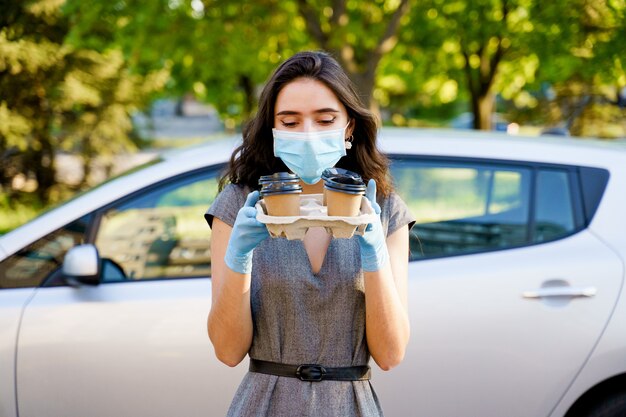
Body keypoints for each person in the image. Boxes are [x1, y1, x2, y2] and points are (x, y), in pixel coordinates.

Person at [204, 50, 415, 417]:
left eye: (325, 119)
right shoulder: (240, 204)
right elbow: (227, 350)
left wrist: (374, 254)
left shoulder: (383, 208)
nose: (307, 134)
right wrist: (239, 259)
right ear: (272, 129)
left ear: (349, 126)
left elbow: (391, 354)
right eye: (290, 121)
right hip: (264, 405)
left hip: (350, 407)